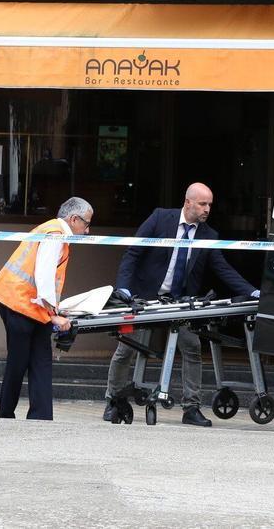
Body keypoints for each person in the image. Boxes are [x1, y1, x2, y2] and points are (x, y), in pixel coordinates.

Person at [104, 182, 260, 426]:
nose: (207, 209)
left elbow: (223, 269)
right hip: (145, 296)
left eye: (210, 204)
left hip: (180, 301)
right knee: (126, 349)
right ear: (188, 202)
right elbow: (133, 253)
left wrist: (252, 292)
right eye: (202, 204)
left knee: (192, 348)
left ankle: (191, 409)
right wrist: (123, 290)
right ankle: (113, 400)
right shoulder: (159, 219)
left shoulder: (208, 235)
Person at [0, 197, 92, 420]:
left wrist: (51, 311)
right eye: (86, 223)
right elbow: (43, 276)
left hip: (24, 303)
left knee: (37, 360)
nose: (87, 230)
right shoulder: (55, 235)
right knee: (22, 360)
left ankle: (39, 416)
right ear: (74, 219)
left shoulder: (51, 231)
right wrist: (53, 315)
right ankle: (10, 414)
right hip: (21, 304)